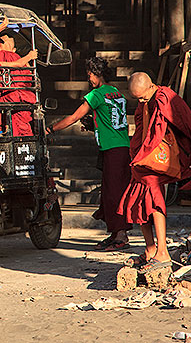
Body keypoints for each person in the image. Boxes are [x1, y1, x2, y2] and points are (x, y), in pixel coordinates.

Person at [47, 57, 132, 251]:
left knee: (114, 194)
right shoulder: (116, 93)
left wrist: (51, 129)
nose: (89, 79)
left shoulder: (96, 94)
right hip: (121, 147)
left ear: (98, 74)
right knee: (113, 192)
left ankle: (121, 235)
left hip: (113, 149)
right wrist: (95, 126)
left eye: (90, 75)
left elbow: (74, 117)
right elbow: (112, 121)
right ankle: (115, 233)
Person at [118, 72, 191, 272]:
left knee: (153, 194)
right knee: (137, 194)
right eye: (138, 98)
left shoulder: (166, 98)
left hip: (163, 157)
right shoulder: (145, 101)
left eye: (143, 96)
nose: (142, 101)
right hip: (146, 156)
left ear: (151, 85)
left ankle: (162, 251)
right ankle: (150, 249)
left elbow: (188, 124)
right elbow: (141, 128)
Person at [0, 24, 38, 134]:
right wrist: (29, 57)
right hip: (16, 103)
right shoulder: (15, 59)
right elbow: (27, 75)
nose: (0, 48)